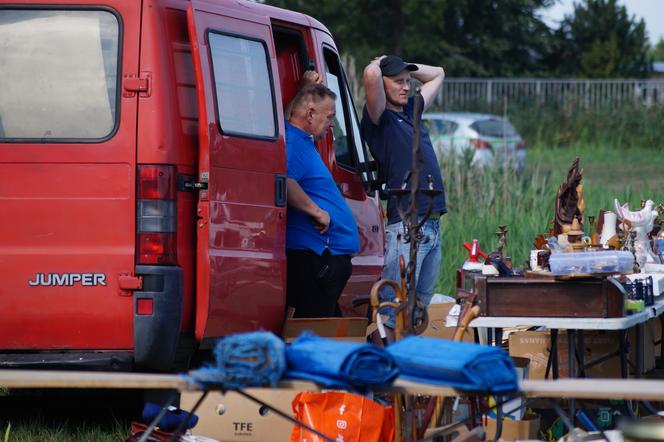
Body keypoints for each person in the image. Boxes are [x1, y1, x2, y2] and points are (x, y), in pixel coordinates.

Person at [361, 54, 447, 333]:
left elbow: (438, 73)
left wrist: (407, 65)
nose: (405, 86)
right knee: (393, 307)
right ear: (383, 85)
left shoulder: (413, 109)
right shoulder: (379, 118)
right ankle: (380, 363)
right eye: (397, 81)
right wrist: (379, 62)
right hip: (406, 225)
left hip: (432, 222)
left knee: (419, 307)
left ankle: (406, 362)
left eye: (407, 81)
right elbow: (371, 77)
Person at [285, 83, 360, 318]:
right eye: (329, 117)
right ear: (309, 114)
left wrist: (305, 85)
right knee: (313, 331)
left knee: (327, 331)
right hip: (315, 256)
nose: (332, 124)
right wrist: (317, 212)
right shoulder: (293, 143)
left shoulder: (302, 140)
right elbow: (284, 181)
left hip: (324, 257)